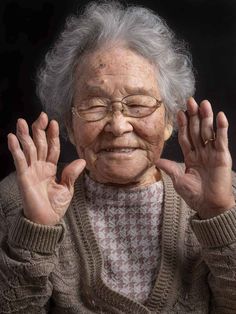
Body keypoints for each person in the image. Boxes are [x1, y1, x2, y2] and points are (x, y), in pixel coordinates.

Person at [0, 1, 236, 313]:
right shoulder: (17, 199)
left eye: (138, 104)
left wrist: (219, 214)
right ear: (69, 125)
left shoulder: (227, 196)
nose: (118, 125)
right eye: (95, 104)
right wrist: (36, 230)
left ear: (170, 121)